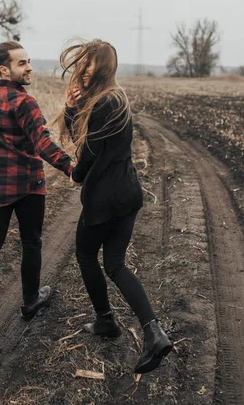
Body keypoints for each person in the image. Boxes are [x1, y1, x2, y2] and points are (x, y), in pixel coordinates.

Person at [53, 39, 172, 374]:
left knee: (87, 256)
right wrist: (75, 109)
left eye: (92, 64)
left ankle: (110, 321)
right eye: (83, 63)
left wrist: (77, 173)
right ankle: (151, 332)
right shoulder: (114, 99)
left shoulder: (106, 102)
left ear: (104, 67)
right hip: (127, 193)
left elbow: (87, 149)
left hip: (106, 197)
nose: (85, 69)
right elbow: (91, 141)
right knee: (116, 264)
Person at [0, 41, 74, 341]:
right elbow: (42, 142)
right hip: (28, 184)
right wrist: (71, 167)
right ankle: (31, 300)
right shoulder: (25, 102)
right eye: (22, 63)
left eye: (29, 61)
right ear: (4, 69)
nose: (29, 67)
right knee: (31, 241)